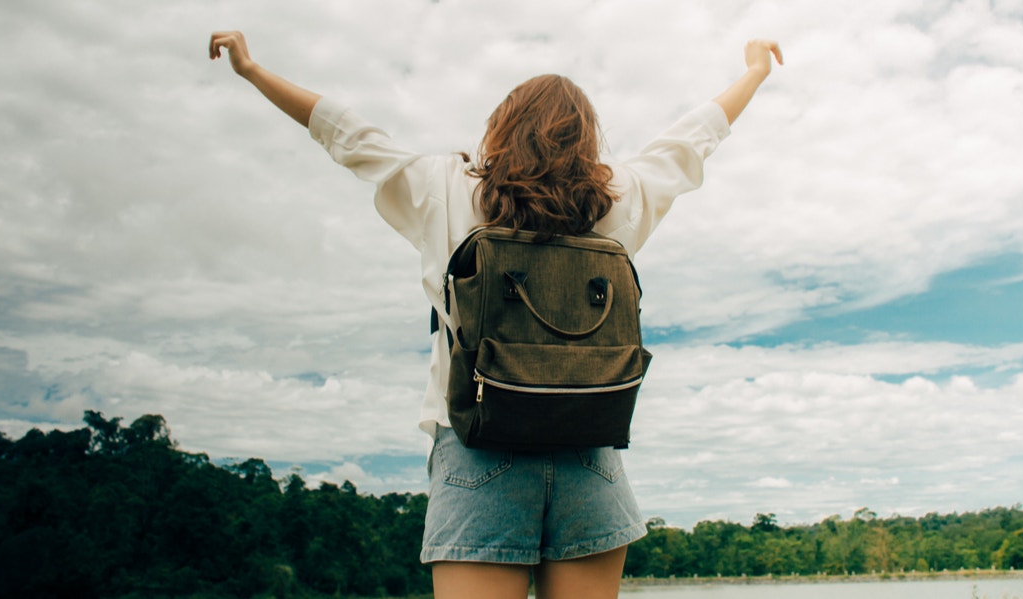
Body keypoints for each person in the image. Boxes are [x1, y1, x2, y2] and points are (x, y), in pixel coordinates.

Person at [209, 30, 781, 599]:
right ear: (586, 140)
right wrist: (754, 71)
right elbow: (692, 139)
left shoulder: (447, 190)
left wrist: (252, 70)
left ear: (500, 129)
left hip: (478, 448)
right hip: (591, 452)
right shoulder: (619, 201)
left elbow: (344, 132)